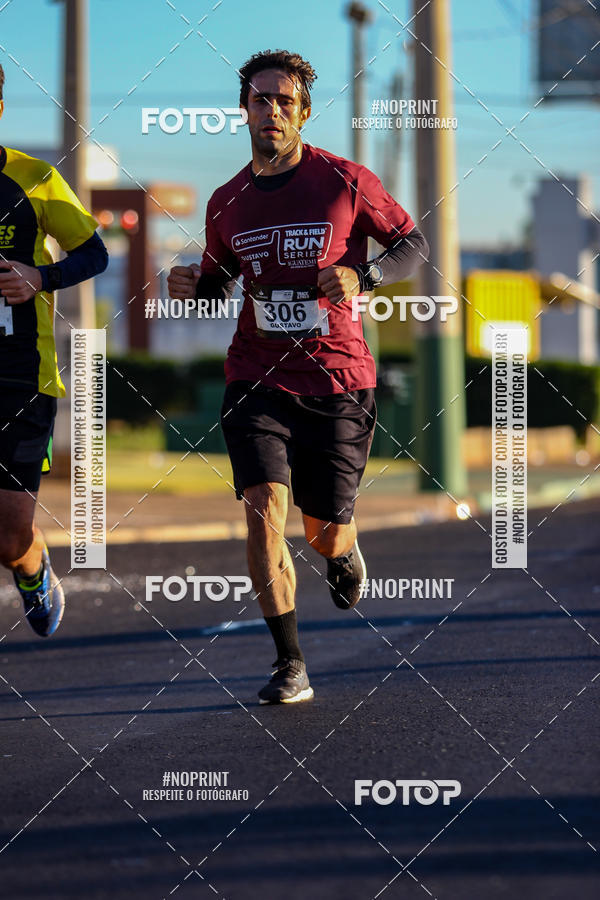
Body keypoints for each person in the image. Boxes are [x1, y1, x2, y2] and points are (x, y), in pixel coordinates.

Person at [168, 49, 428, 703]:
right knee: (262, 513)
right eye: (261, 99)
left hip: (338, 381)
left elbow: (412, 245)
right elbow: (219, 282)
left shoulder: (344, 182)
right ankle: (290, 663)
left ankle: (342, 550)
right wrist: (191, 285)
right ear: (244, 110)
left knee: (323, 531)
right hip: (256, 374)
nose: (272, 110)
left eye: (285, 101)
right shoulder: (227, 201)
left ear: (303, 113)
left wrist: (363, 275)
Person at [0, 62, 108, 637]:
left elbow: (95, 255)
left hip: (22, 378)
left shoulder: (33, 178)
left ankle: (32, 564)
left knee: (9, 534)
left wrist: (38, 277)